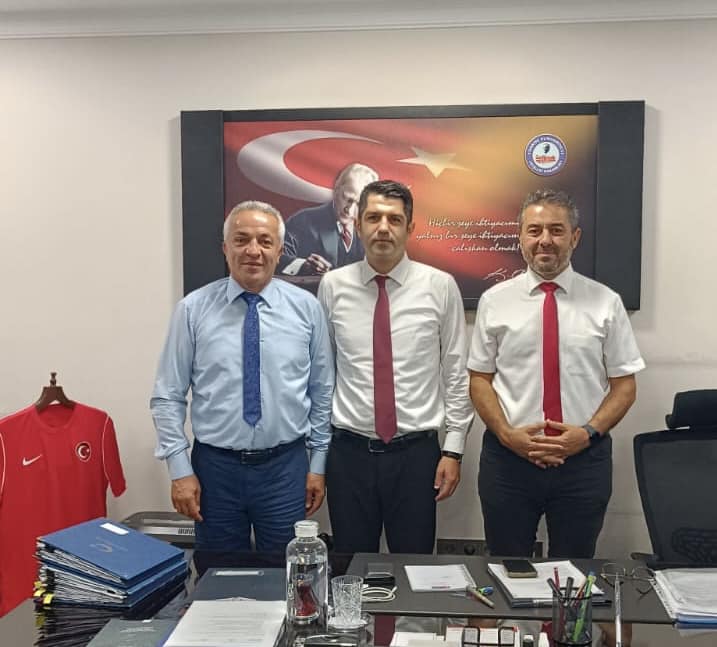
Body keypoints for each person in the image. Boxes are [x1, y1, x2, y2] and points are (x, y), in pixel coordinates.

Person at [468, 188, 645, 561]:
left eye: (556, 230)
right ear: (520, 237)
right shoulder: (494, 301)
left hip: (583, 462)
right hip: (509, 462)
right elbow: (480, 379)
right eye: (534, 231)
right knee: (507, 567)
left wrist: (588, 433)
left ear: (574, 237)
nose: (545, 240)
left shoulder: (606, 303)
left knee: (575, 572)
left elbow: (624, 386)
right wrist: (507, 435)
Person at [150, 200, 334, 552]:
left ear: (279, 250)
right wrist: (179, 469)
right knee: (218, 575)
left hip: (285, 469)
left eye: (265, 241)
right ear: (225, 248)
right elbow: (167, 396)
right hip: (215, 471)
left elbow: (322, 391)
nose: (253, 250)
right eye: (241, 239)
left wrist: (318, 464)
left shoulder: (307, 309)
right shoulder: (192, 310)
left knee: (287, 572)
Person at [317, 179, 474, 554]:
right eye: (373, 218)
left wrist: (453, 450)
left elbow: (456, 373)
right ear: (358, 225)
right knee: (351, 567)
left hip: (416, 456)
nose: (383, 228)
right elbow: (322, 375)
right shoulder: (333, 286)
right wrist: (317, 457)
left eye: (394, 219)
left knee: (415, 566)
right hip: (349, 454)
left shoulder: (440, 286)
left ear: (410, 227)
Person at [280, 163, 378, 276]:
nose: (350, 210)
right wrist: (303, 265)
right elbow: (276, 257)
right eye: (347, 199)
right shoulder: (302, 221)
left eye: (359, 204)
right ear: (336, 190)